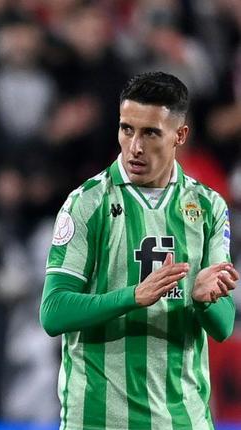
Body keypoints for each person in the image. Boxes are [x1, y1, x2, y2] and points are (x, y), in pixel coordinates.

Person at [40, 71, 239, 430]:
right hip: (99, 419)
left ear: (180, 136)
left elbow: (223, 326)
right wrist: (134, 295)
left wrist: (204, 300)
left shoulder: (209, 207)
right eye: (126, 129)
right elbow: (53, 313)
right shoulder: (87, 203)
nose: (135, 146)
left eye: (150, 133)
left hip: (183, 419)